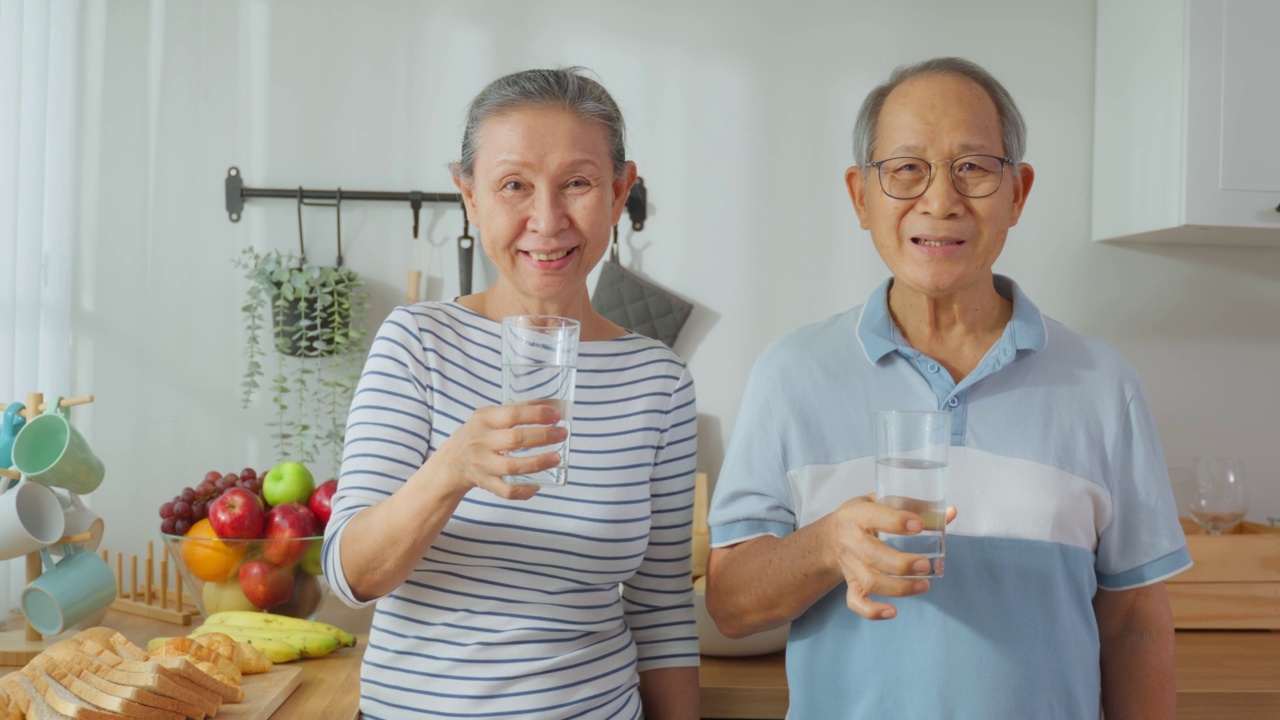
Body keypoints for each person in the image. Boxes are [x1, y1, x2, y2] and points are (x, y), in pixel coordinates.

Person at [705, 57, 1190, 719]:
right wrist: (826, 546)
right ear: (860, 196)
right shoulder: (791, 374)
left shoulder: (1104, 386)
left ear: (1017, 192)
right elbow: (731, 608)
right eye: (907, 169)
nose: (940, 200)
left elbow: (1134, 618)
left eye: (973, 168)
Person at [321, 68, 700, 720]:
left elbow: (661, 611)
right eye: (513, 186)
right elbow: (351, 576)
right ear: (469, 197)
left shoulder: (658, 381)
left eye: (577, 183)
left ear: (618, 190)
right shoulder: (418, 343)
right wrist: (451, 468)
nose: (546, 221)